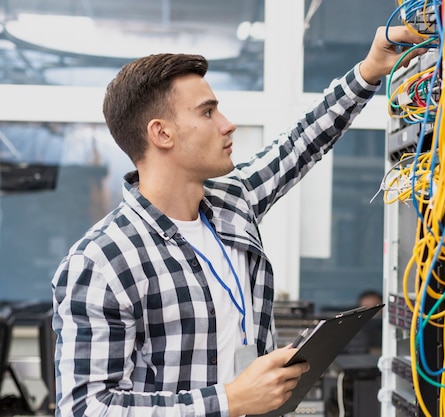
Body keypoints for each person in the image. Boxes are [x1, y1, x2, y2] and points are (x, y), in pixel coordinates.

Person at [51, 25, 425, 417]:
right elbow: (87, 408)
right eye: (208, 112)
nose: (226, 124)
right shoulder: (101, 262)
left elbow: (299, 144)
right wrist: (229, 400)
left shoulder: (231, 203)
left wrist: (368, 71)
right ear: (161, 133)